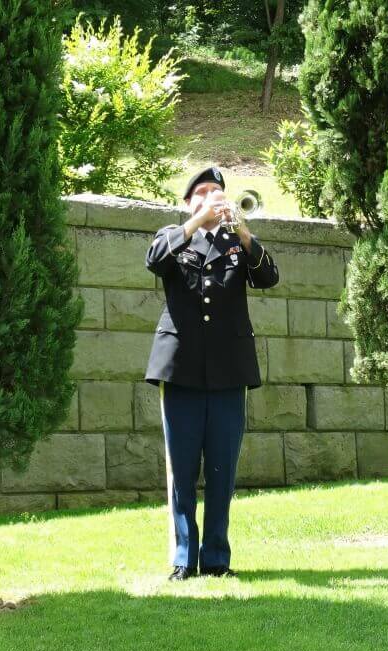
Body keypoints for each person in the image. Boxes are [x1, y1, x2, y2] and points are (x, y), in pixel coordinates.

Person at [144, 166, 280, 581]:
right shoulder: (173, 234)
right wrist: (196, 222)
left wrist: (244, 234)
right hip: (181, 368)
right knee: (182, 471)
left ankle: (217, 560)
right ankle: (184, 559)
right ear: (188, 201)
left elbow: (268, 277)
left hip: (228, 372)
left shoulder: (236, 241)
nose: (212, 198)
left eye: (218, 192)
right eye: (202, 192)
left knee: (222, 469)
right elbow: (154, 261)